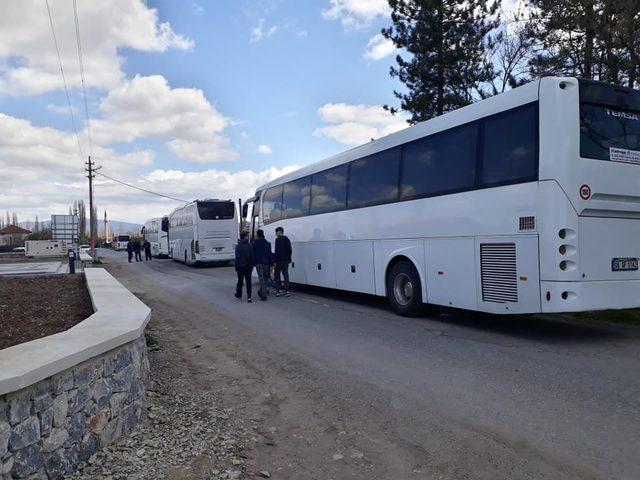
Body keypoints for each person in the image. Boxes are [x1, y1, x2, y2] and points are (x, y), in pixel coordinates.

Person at [252, 229, 272, 301]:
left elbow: (253, 255)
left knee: (261, 279)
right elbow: (270, 254)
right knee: (265, 278)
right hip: (266, 263)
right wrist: (271, 263)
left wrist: (253, 263)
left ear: (257, 235)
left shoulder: (254, 244)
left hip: (258, 263)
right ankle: (262, 291)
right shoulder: (268, 243)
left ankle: (263, 295)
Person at [234, 232, 254, 302]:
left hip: (240, 266)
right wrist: (252, 265)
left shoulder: (238, 246)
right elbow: (252, 256)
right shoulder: (250, 245)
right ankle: (249, 297)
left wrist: (236, 266)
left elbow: (237, 257)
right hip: (248, 266)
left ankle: (239, 295)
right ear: (245, 237)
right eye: (247, 236)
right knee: (248, 281)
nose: (248, 237)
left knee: (240, 281)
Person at [274, 226, 292, 297]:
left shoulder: (277, 240)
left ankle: (279, 290)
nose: (275, 234)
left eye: (276, 232)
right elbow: (290, 250)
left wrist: (275, 261)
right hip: (286, 261)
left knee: (277, 275)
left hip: (279, 261)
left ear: (279, 232)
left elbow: (277, 251)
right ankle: (287, 291)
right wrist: (289, 259)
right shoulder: (287, 239)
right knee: (286, 275)